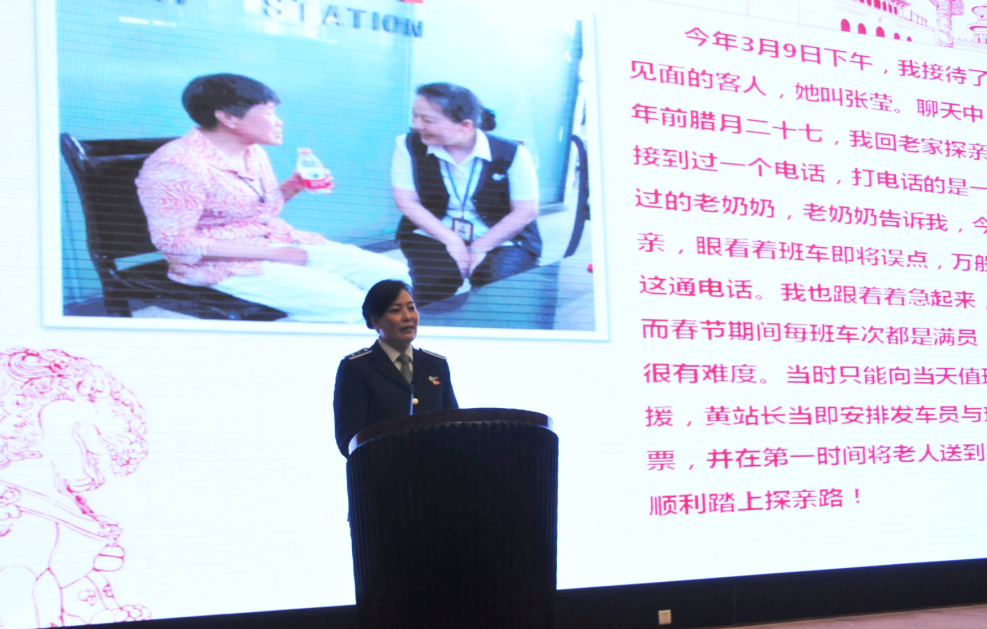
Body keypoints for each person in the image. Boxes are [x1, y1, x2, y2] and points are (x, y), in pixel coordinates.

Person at [136, 73, 411, 323]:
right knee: (354, 307)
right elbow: (175, 243)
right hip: (219, 264)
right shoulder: (177, 164)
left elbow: (259, 213)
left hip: (274, 241)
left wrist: (292, 187)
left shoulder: (251, 150)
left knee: (393, 278)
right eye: (269, 113)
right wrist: (275, 254)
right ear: (228, 118)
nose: (279, 121)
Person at [0, 348, 150, 627]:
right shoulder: (19, 518)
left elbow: (46, 594)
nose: (98, 475)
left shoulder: (49, 507)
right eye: (98, 450)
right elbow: (18, 593)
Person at [391, 82, 542, 305]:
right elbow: (406, 201)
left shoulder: (513, 153)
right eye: (415, 116)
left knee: (496, 286)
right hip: (435, 230)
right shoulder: (408, 145)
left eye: (428, 120)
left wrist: (480, 247)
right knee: (433, 284)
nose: (417, 125)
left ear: (465, 126)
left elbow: (526, 211)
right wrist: (452, 241)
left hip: (502, 236)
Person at [333, 280, 458, 457]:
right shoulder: (356, 367)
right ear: (376, 321)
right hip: (382, 470)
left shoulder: (436, 364)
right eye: (396, 310)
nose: (407, 317)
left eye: (411, 308)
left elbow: (454, 424)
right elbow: (349, 438)